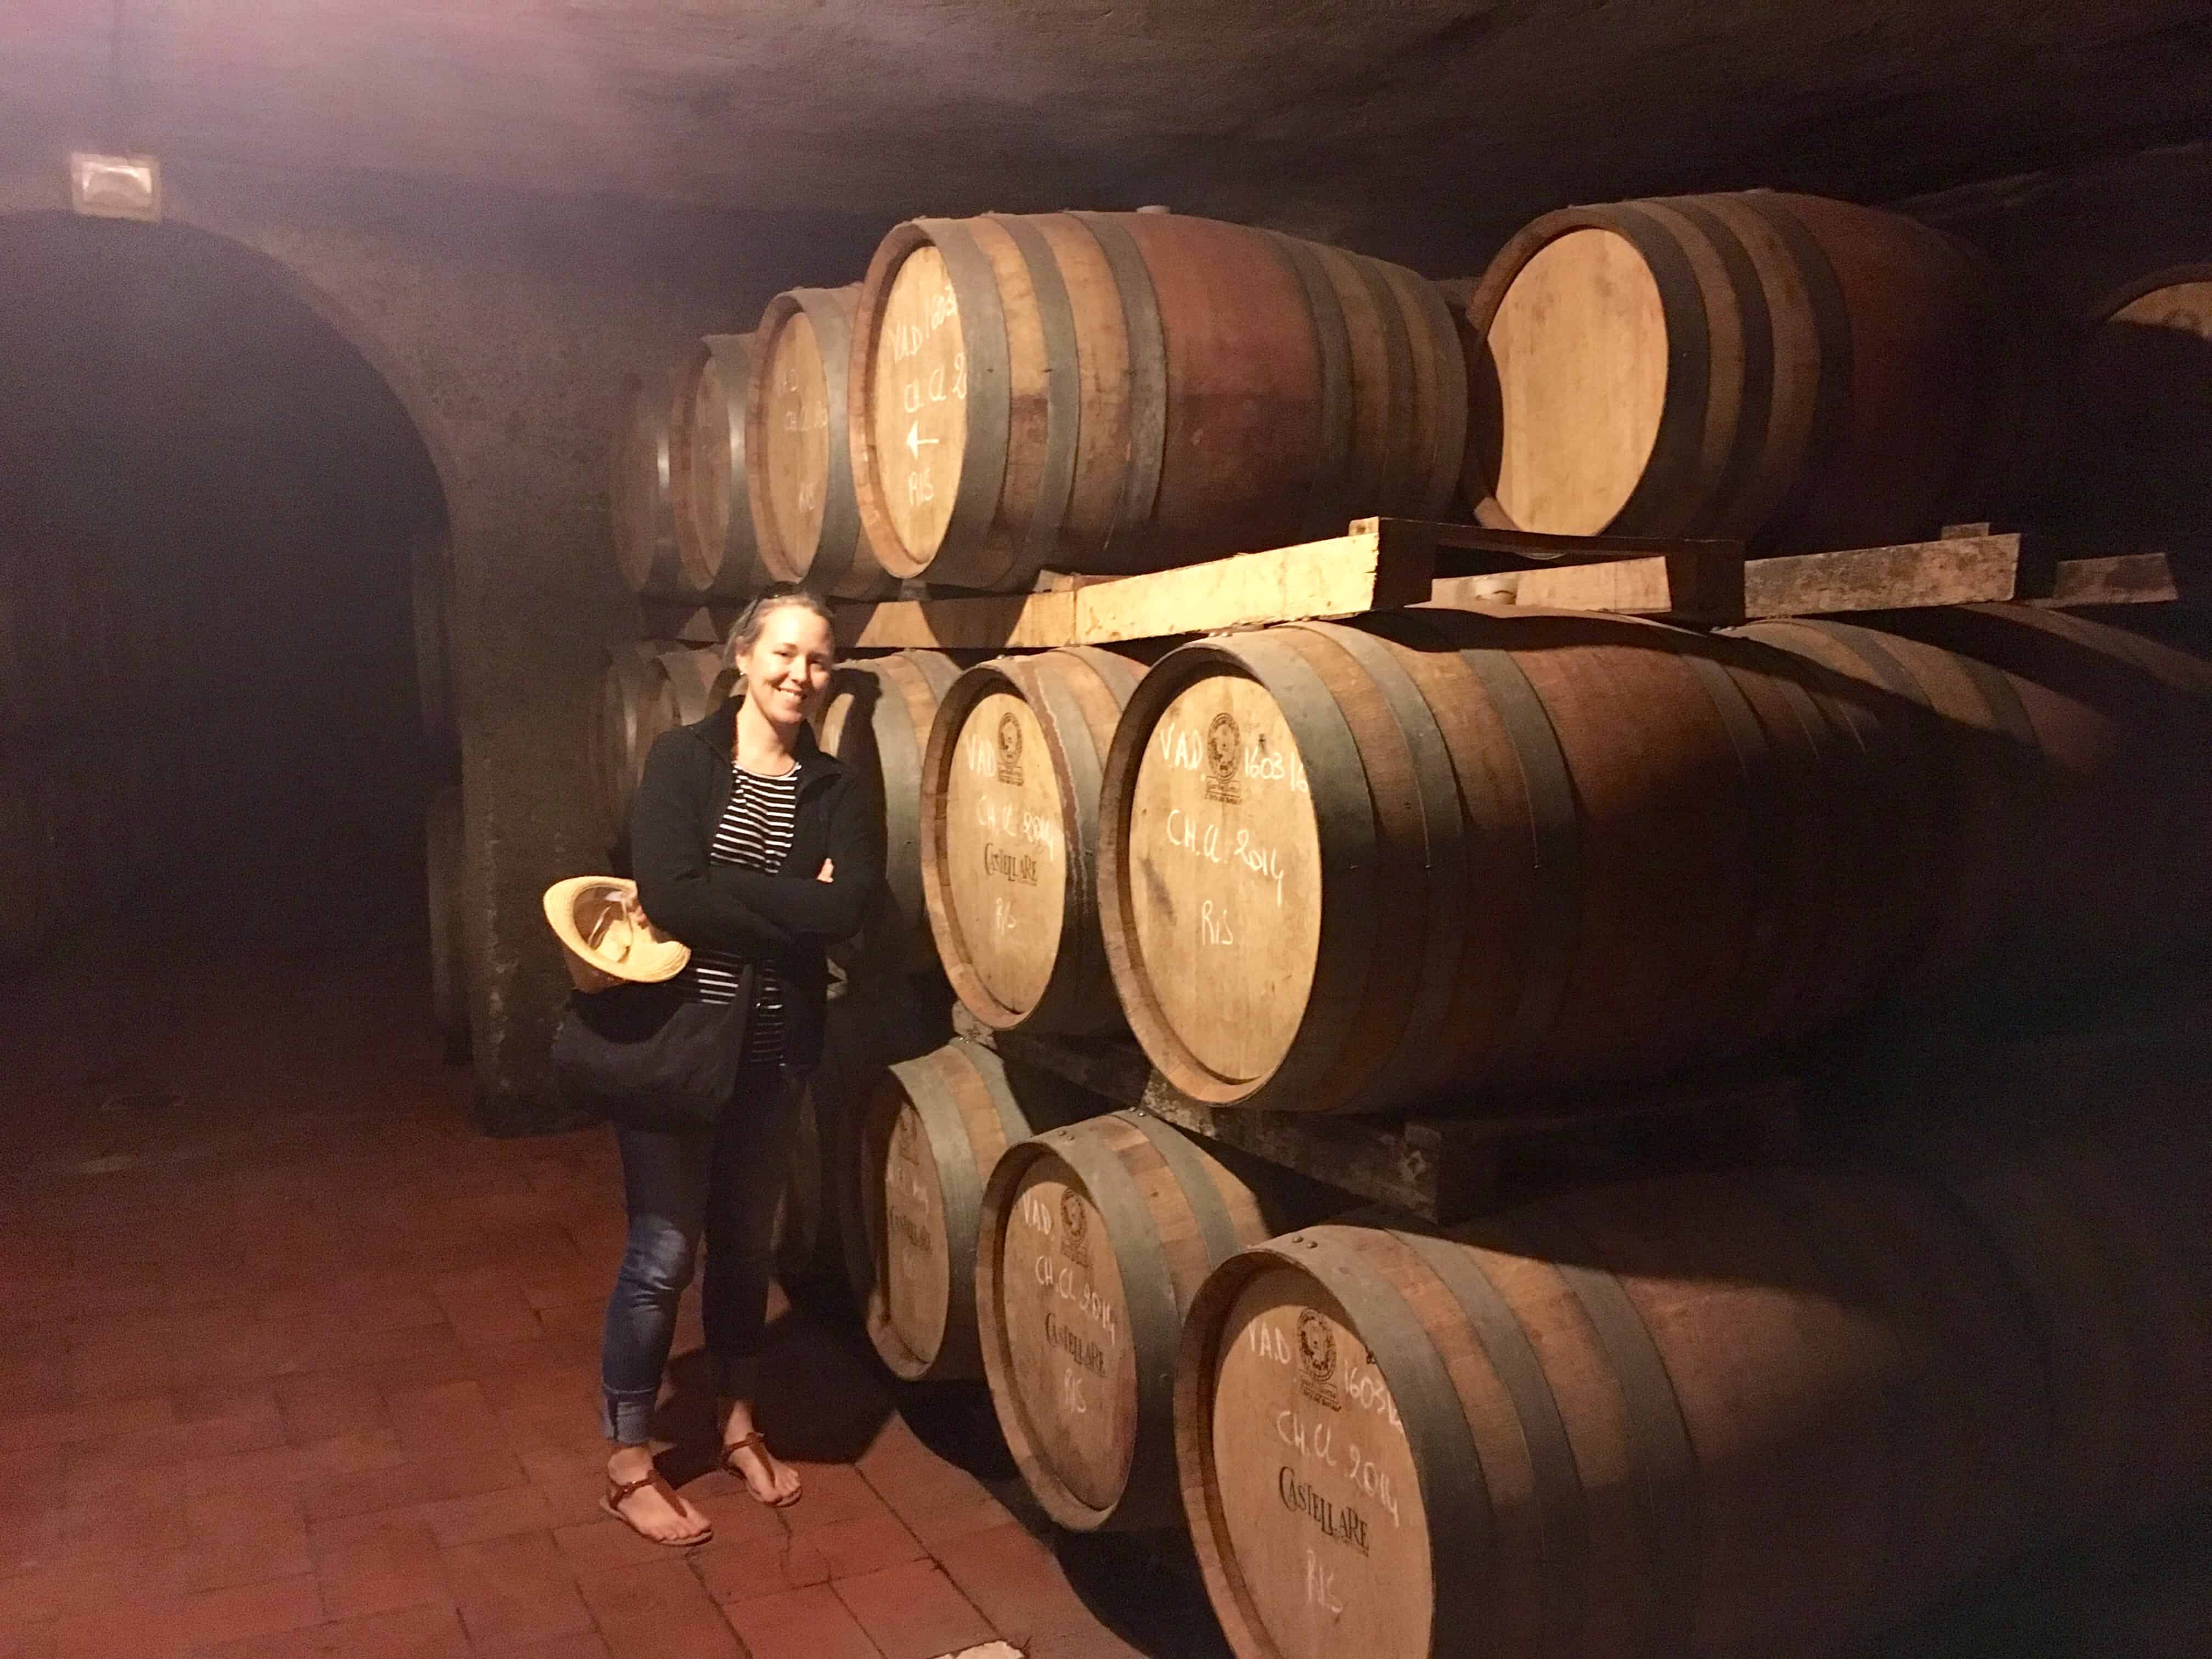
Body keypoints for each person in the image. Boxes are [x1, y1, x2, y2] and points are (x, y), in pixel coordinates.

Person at [597, 583, 875, 1545]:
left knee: (746, 1249)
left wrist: (740, 894)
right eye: (786, 654)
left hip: (772, 1046)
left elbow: (848, 912)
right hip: (676, 1041)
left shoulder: (836, 786)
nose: (802, 674)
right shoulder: (682, 761)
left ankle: (737, 1420)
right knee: (662, 1253)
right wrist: (794, 894)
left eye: (820, 660)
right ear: (745, 658)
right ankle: (631, 1459)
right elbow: (670, 897)